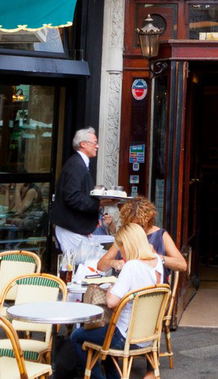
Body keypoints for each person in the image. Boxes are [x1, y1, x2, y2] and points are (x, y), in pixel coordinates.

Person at [64, 223, 163, 379]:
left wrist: (112, 288)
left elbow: (111, 302)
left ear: (127, 245)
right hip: (147, 337)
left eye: (120, 247)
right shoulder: (156, 262)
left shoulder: (131, 266)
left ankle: (97, 377)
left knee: (77, 336)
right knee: (107, 336)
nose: (120, 252)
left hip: (124, 337)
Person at [97, 196, 186, 275]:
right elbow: (101, 265)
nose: (138, 230)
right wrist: (113, 263)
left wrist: (156, 257)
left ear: (149, 221)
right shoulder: (125, 235)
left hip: (152, 289)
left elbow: (182, 265)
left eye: (141, 225)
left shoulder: (160, 235)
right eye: (134, 225)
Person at [50, 127, 103, 258]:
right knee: (83, 266)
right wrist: (98, 204)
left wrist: (90, 219)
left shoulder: (79, 164)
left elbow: (78, 196)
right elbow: (72, 197)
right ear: (83, 144)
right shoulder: (76, 165)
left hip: (75, 229)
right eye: (94, 142)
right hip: (69, 230)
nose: (97, 146)